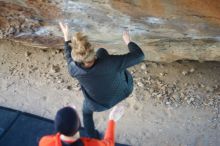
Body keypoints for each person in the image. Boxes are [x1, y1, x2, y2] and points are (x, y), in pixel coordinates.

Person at [59, 22, 145, 138]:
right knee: (103, 52)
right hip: (124, 91)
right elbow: (139, 56)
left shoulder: (73, 69)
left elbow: (68, 57)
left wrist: (66, 37)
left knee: (86, 113)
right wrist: (128, 41)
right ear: (92, 53)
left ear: (78, 60)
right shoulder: (109, 62)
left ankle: (92, 136)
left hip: (96, 105)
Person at [39, 106, 124, 146]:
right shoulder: (94, 144)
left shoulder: (45, 142)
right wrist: (112, 120)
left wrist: (68, 116)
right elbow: (109, 143)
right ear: (79, 125)